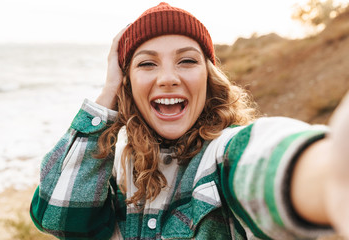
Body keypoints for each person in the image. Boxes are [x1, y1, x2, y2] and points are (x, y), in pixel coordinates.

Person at [30, 2, 349, 240]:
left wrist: (331, 171)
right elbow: (60, 216)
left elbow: (271, 163)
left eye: (186, 60)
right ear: (127, 83)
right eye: (147, 64)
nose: (168, 78)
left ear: (209, 78)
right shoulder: (120, 170)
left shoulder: (223, 155)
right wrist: (108, 93)